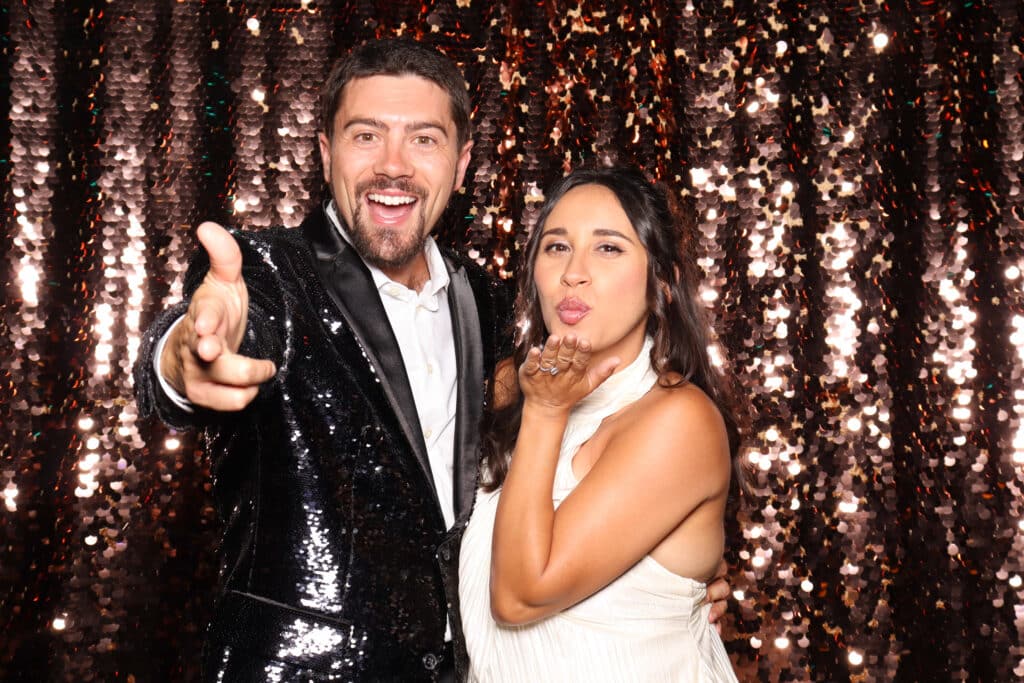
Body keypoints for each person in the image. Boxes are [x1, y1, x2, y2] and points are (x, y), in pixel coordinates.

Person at [134, 39, 730, 681]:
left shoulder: (500, 311)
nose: (393, 166)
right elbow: (214, 329)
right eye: (366, 136)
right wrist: (184, 361)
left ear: (462, 161)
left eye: (423, 139)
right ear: (326, 152)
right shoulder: (268, 273)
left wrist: (680, 578)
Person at [459, 166, 743, 681]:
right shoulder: (504, 387)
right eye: (556, 247)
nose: (574, 272)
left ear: (663, 282)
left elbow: (520, 596)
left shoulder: (679, 421)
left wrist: (546, 412)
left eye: (609, 248)